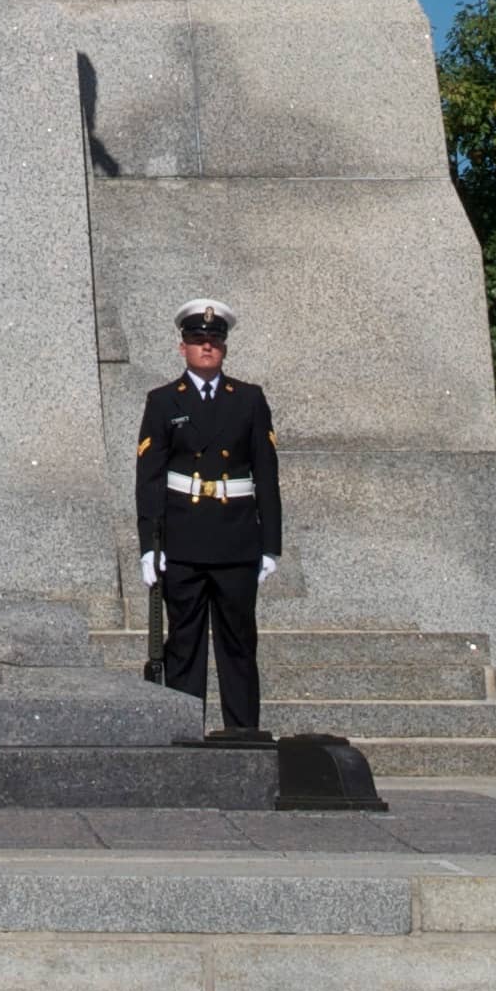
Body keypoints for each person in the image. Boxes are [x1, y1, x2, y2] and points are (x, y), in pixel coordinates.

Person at [135, 296, 281, 738]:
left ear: (224, 347)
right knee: (185, 645)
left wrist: (270, 545)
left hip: (236, 540)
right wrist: (148, 546)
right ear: (182, 347)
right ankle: (184, 736)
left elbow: (267, 475)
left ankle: (243, 735)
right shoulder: (163, 401)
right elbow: (150, 478)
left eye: (213, 340)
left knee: (238, 646)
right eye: (197, 340)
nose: (206, 347)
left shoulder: (249, 399)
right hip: (184, 540)